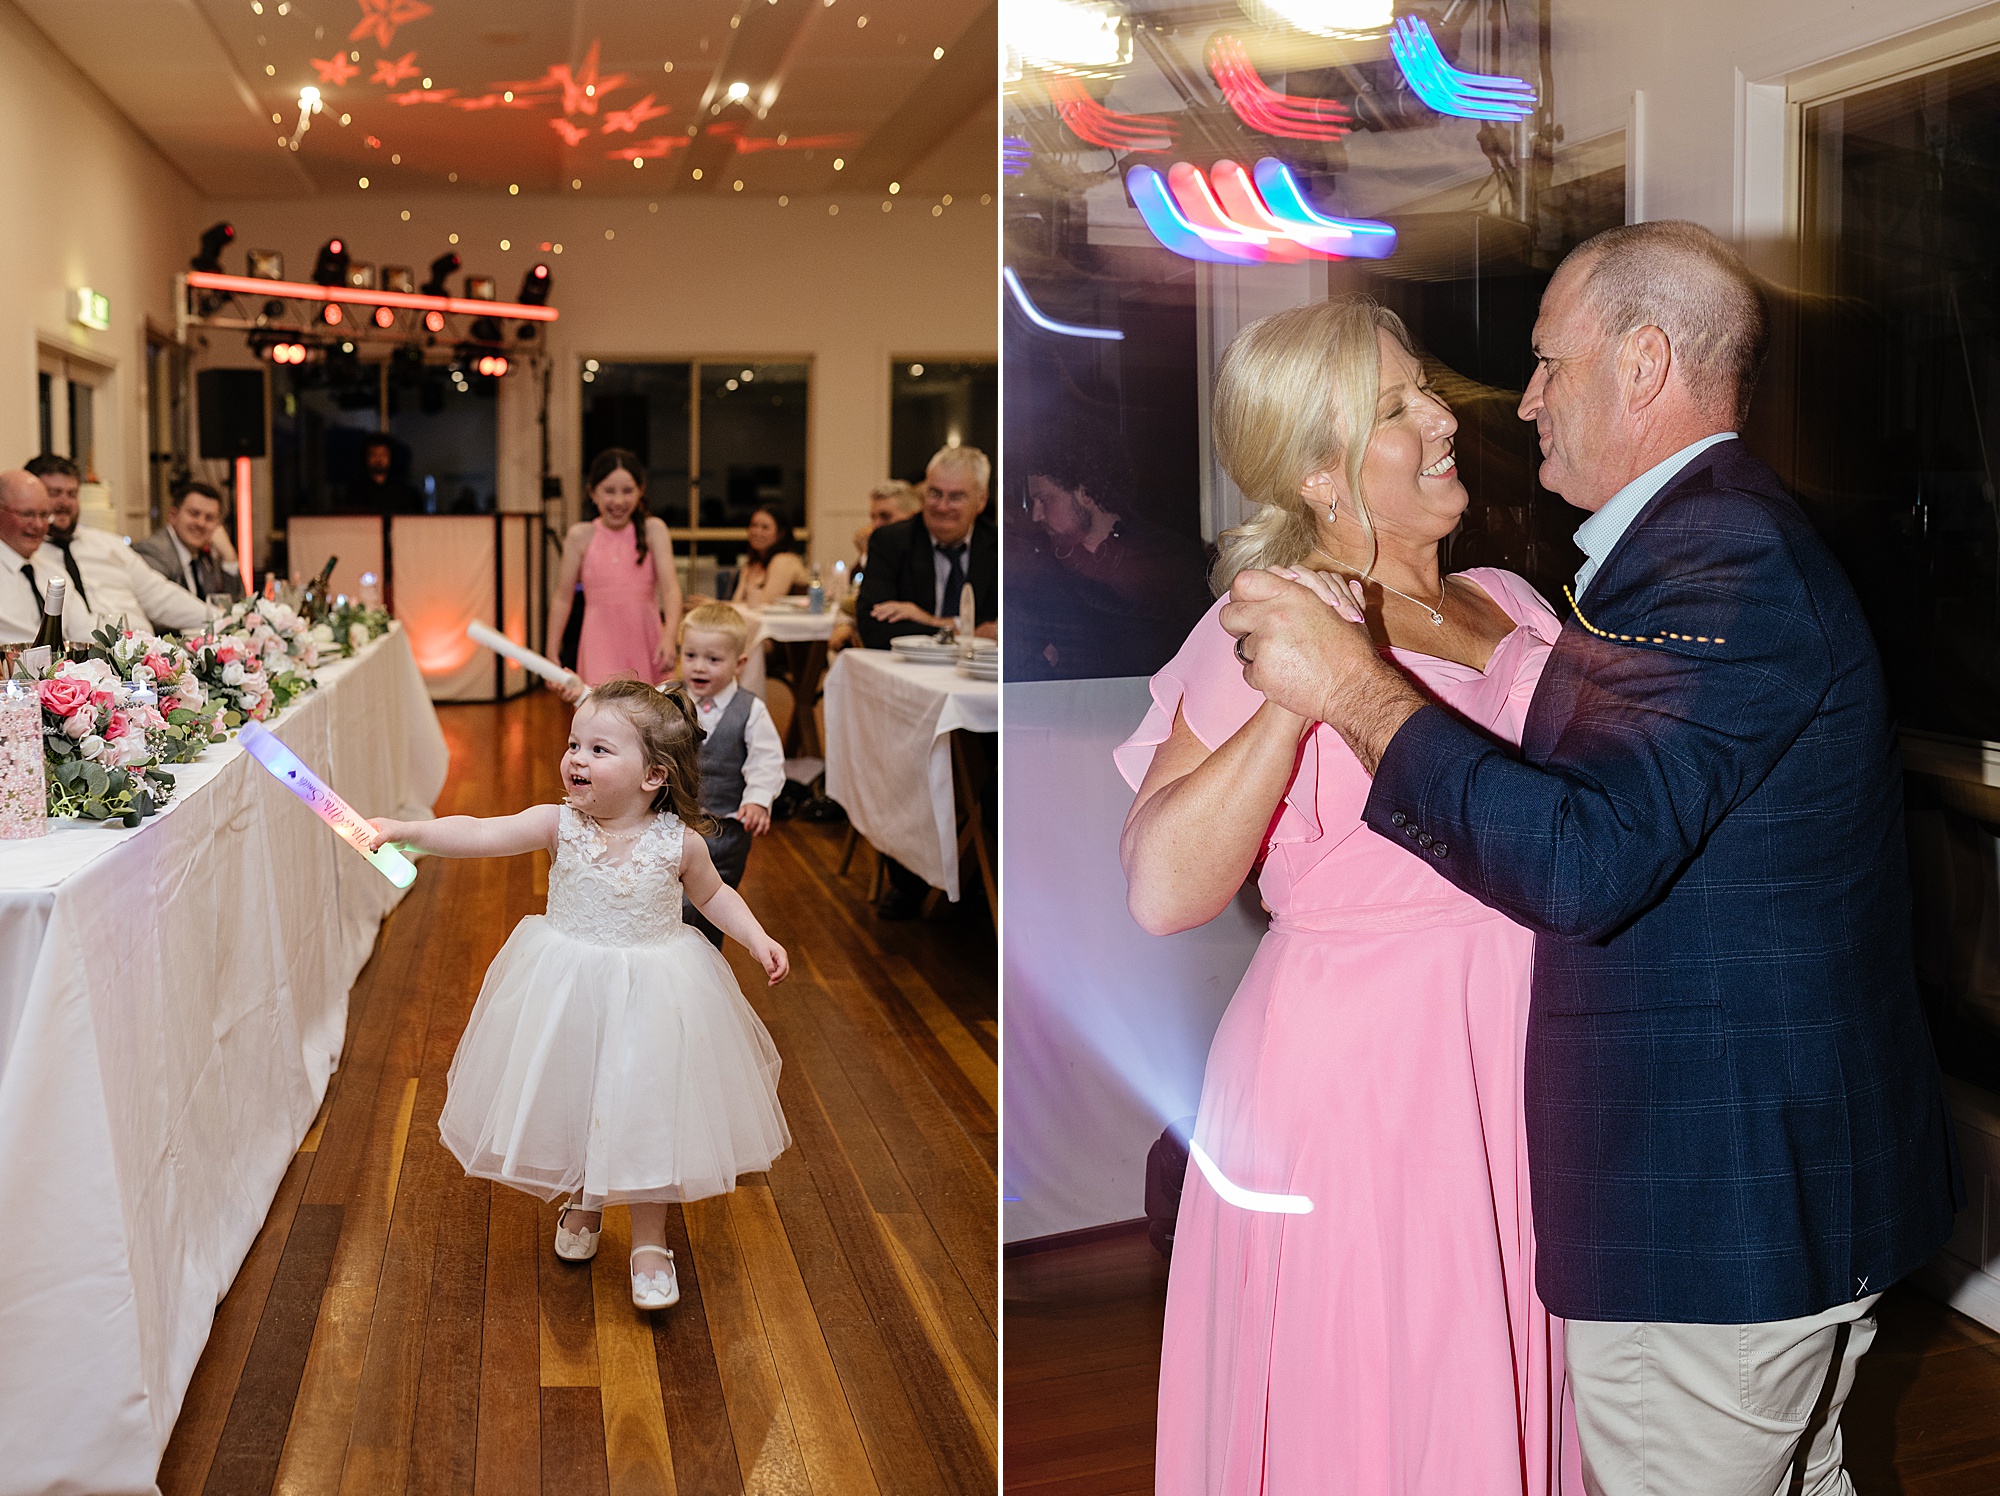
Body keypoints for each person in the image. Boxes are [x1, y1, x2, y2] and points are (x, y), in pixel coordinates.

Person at [1221, 225, 1960, 1496]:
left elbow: (1580, 860)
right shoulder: (1698, 546)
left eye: (1547, 363)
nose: (1523, 401)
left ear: (1644, 362)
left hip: (1711, 1225)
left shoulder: (1718, 561)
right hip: (1747, 1195)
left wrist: (1349, 687)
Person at [1118, 297, 1578, 1494]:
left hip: (1534, 1058)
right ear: (1320, 474)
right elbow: (1163, 886)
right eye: (1395, 408)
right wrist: (1301, 688)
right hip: (1366, 1083)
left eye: (1422, 387)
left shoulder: (1517, 603)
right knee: (1385, 1407)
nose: (1440, 416)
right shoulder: (1260, 621)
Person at [363, 680, 791, 1310]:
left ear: (653, 776)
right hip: (569, 991)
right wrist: (404, 829)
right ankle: (586, 1202)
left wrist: (755, 937)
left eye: (598, 749)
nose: (576, 759)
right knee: (583, 1093)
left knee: (649, 1111)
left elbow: (713, 896)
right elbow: (481, 832)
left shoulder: (680, 844)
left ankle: (650, 1243)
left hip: (655, 993)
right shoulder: (557, 824)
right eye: (574, 744)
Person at [1018, 438, 1211, 679]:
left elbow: (1204, 661)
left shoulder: (1172, 559)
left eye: (1044, 500)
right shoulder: (1039, 570)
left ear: (1085, 492)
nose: (1036, 515)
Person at [672, 603, 785, 948]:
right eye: (690, 655)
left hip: (725, 834)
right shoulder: (668, 698)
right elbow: (630, 720)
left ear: (740, 663)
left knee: (708, 909)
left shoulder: (750, 710)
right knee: (667, 905)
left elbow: (766, 760)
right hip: (670, 824)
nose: (699, 666)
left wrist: (757, 800)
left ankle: (702, 974)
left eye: (713, 659)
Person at [28, 455, 211, 635]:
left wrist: (218, 617)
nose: (65, 503)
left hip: (142, 651)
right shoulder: (30, 559)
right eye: (54, 493)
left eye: (72, 494)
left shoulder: (109, 544)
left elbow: (159, 595)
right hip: (80, 658)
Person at [547, 449, 683, 687]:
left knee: (647, 716)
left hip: (646, 640)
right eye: (609, 491)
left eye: (628, 491)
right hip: (599, 642)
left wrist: (670, 637)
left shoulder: (654, 530)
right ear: (592, 493)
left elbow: (671, 589)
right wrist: (550, 651)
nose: (618, 501)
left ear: (641, 491)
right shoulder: (580, 536)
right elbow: (562, 597)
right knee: (603, 712)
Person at [855, 445, 997, 648]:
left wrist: (928, 620)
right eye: (935, 493)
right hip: (910, 670)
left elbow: (1014, 628)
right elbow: (874, 629)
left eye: (956, 497)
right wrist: (969, 632)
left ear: (981, 500)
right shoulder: (890, 541)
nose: (942, 506)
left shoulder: (1003, 547)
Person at [0, 469, 94, 643]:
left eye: (44, 515)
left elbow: (86, 635)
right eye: (27, 514)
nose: (38, 525)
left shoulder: (54, 573)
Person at [133, 481, 246, 603]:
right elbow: (166, 608)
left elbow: (235, 609)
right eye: (194, 514)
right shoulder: (154, 551)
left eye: (209, 518)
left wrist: (229, 556)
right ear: (173, 516)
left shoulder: (204, 556)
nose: (201, 523)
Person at [730, 505, 810, 608]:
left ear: (780, 533)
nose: (757, 532)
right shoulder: (752, 565)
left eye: (765, 527)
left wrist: (716, 604)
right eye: (754, 525)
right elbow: (736, 604)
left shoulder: (784, 560)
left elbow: (764, 605)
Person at [344, 434, 421, 514]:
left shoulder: (404, 490)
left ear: (391, 457)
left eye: (383, 455)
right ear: (366, 457)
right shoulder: (356, 489)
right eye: (373, 455)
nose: (379, 460)